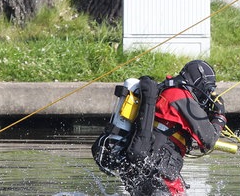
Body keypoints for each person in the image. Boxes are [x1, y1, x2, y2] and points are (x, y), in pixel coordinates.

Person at [92, 60, 226, 195]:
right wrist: (219, 117)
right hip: (158, 170)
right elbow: (208, 140)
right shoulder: (181, 96)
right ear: (199, 82)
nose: (207, 95)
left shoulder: (165, 91)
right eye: (207, 90)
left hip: (139, 167)